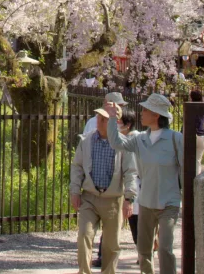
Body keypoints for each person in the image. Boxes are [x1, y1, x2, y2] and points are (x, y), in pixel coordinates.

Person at [105, 93, 183, 274]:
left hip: (169, 203)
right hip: (146, 201)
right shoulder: (140, 139)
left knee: (164, 248)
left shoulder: (175, 139)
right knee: (144, 250)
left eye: (145, 110)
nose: (141, 113)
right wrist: (111, 118)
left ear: (156, 115)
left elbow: (186, 171)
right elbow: (116, 142)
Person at [70, 106, 138, 274]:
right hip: (89, 197)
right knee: (84, 235)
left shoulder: (123, 144)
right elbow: (77, 166)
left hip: (113, 200)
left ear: (113, 122)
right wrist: (75, 191)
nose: (98, 121)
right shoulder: (86, 141)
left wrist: (129, 198)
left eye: (104, 118)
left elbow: (131, 171)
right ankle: (84, 271)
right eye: (98, 117)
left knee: (111, 244)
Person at [119, 110, 140, 250]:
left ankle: (144, 251)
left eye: (119, 122)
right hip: (129, 184)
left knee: (137, 221)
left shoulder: (134, 140)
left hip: (137, 184)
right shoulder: (123, 140)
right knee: (134, 221)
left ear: (128, 125)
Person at [187, 90, 204, 175]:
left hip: (191, 135)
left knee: (187, 159)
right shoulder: (203, 108)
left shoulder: (189, 107)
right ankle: (197, 180)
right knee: (198, 161)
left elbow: (186, 123)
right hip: (201, 135)